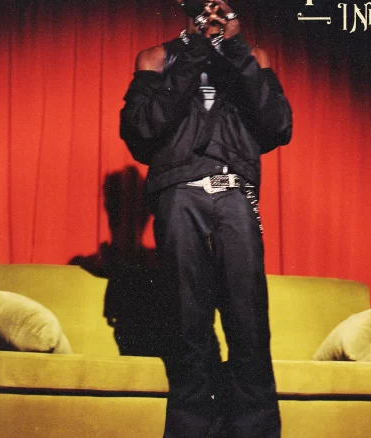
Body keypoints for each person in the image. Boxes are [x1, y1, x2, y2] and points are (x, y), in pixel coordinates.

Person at [119, 1, 292, 436]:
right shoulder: (156, 56)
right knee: (187, 322)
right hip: (179, 191)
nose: (214, 11)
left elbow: (278, 126)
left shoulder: (253, 57)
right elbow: (141, 131)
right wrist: (195, 51)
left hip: (235, 191)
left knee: (248, 321)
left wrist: (235, 50)